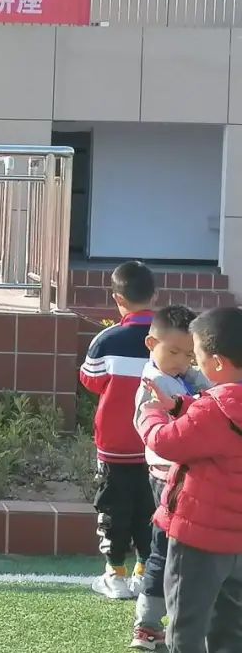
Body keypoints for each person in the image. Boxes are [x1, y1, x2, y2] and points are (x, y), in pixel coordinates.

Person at [137, 307, 242, 653]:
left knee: (186, 622)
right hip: (236, 540)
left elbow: (167, 442)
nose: (192, 364)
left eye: (196, 357)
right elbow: (216, 431)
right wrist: (179, 406)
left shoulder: (214, 410)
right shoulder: (220, 410)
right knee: (231, 624)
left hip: (199, 539)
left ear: (217, 363)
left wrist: (150, 415)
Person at [131, 305, 209, 650]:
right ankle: (147, 624)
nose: (182, 361)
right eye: (174, 352)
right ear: (152, 344)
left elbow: (205, 387)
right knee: (164, 553)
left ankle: (157, 624)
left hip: (177, 476)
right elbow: (191, 413)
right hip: (168, 479)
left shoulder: (175, 374)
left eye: (189, 354)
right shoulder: (157, 382)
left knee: (173, 553)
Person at [79, 260, 158, 599]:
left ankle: (115, 574)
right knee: (150, 509)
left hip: (114, 445)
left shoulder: (107, 340)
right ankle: (144, 572)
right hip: (157, 445)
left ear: (117, 299)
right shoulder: (169, 339)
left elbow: (90, 381)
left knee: (112, 508)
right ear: (155, 295)